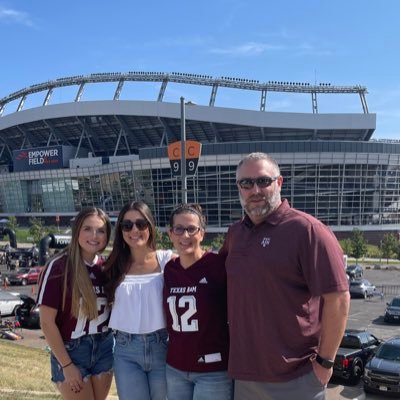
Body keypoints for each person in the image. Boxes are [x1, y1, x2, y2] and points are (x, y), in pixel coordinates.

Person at [219, 152, 350, 400]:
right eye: (246, 183)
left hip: (296, 378)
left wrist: (325, 362)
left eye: (263, 181)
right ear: (239, 188)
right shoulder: (236, 233)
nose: (255, 189)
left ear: (279, 182)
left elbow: (339, 298)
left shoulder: (308, 230)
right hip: (245, 377)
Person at [37, 207, 113, 400]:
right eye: (87, 228)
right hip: (72, 350)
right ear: (77, 230)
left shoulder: (107, 267)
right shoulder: (59, 266)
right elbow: (46, 322)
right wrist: (67, 365)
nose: (94, 236)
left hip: (104, 347)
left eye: (101, 230)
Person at [104, 201, 174, 400]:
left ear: (150, 226)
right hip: (126, 350)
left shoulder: (167, 261)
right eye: (127, 225)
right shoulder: (114, 265)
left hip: (162, 345)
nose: (134, 230)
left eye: (141, 224)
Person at [163, 203, 233, 400]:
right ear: (170, 234)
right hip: (175, 367)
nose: (185, 236)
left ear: (202, 233)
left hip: (213, 369)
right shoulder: (169, 269)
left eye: (191, 229)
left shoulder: (218, 265)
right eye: (179, 229)